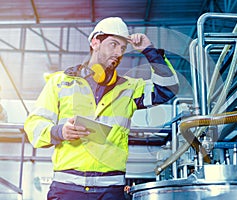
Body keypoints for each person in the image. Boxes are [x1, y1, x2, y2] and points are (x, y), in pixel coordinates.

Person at [24, 17, 179, 200]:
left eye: (122, 48)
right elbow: (34, 126)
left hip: (110, 189)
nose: (118, 53)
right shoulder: (60, 83)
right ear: (94, 42)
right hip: (67, 187)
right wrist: (60, 131)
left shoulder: (129, 88)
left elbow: (168, 89)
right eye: (113, 44)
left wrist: (150, 51)